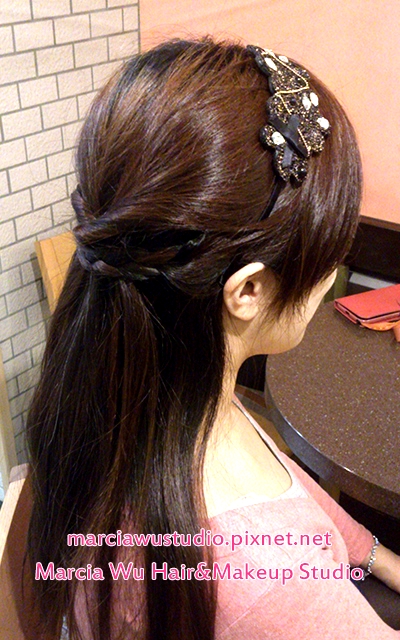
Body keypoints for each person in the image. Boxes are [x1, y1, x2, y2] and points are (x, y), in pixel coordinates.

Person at [26, 37, 400, 640]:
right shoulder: (270, 584)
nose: (332, 272)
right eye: (327, 252)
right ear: (248, 290)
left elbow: (286, 480)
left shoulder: (125, 401)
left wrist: (375, 554)